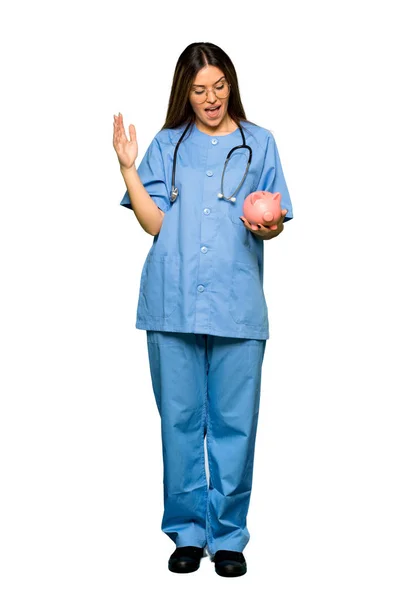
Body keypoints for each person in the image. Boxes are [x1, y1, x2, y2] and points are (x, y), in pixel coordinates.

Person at [113, 42, 293, 577]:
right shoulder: (168, 146)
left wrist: (271, 226)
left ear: (231, 85)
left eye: (219, 86)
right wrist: (127, 169)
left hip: (237, 304)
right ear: (184, 93)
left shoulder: (260, 143)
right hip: (171, 301)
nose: (211, 98)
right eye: (199, 90)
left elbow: (276, 215)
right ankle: (189, 533)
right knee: (181, 423)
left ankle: (230, 536)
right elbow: (154, 223)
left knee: (236, 423)